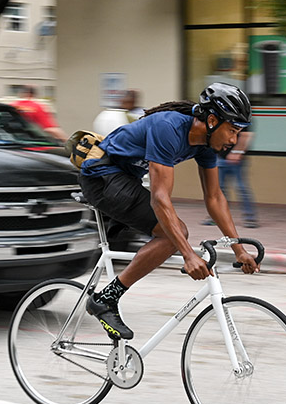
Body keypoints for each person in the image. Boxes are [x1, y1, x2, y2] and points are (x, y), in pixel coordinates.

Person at [77, 82, 260, 340]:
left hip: (126, 180)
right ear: (210, 120)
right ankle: (106, 299)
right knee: (173, 232)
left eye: (238, 133)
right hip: (102, 177)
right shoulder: (169, 128)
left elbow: (215, 197)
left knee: (173, 232)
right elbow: (160, 198)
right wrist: (187, 254)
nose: (233, 140)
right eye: (231, 130)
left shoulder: (206, 145)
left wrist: (238, 249)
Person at [202, 127, 259, 228]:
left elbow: (246, 135)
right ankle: (216, 217)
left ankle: (250, 218)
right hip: (220, 157)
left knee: (241, 188)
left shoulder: (243, 117)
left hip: (235, 160)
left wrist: (237, 152)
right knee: (218, 189)